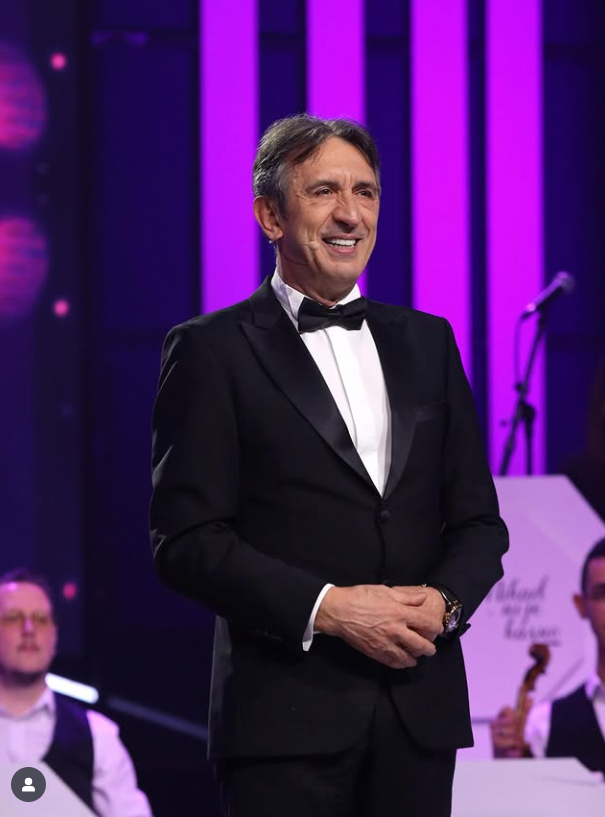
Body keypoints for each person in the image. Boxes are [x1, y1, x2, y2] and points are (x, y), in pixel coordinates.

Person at [150, 113, 509, 817]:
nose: (350, 214)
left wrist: (444, 604)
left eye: (365, 192)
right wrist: (331, 608)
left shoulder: (429, 342)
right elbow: (186, 541)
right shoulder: (210, 350)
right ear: (270, 215)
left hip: (419, 713)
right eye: (323, 191)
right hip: (283, 720)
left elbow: (478, 523)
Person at [0, 569, 153, 816]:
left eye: (40, 619)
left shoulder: (97, 735)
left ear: (54, 635)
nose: (29, 629)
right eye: (13, 617)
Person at [491, 538, 605, 775]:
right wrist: (506, 768)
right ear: (581, 605)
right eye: (602, 594)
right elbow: (523, 796)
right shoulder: (543, 725)